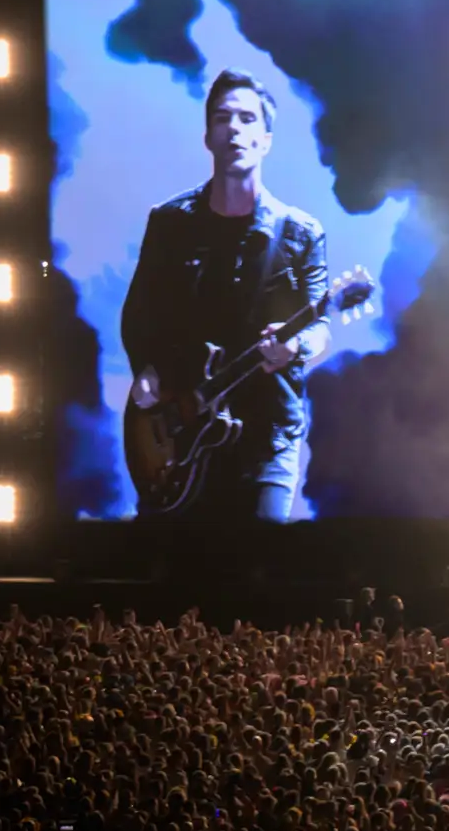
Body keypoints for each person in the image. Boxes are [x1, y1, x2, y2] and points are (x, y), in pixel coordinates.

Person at [120, 71, 332, 522]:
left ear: (266, 139)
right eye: (223, 119)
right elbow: (138, 313)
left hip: (267, 434)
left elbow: (320, 328)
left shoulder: (301, 233)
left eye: (247, 119)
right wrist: (145, 371)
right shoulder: (170, 223)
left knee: (260, 570)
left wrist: (295, 347)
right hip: (179, 429)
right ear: (208, 137)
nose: (235, 128)